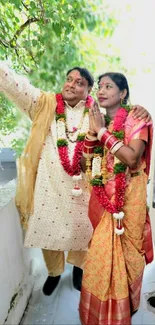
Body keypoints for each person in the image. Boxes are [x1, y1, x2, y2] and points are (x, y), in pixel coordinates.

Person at [0, 63, 151, 297]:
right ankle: (54, 273)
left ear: (89, 90)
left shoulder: (97, 115)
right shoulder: (45, 105)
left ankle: (80, 270)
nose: (71, 84)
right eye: (69, 79)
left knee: (85, 232)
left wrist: (142, 111)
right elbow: (18, 87)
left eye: (79, 82)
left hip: (85, 188)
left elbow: (122, 127)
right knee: (47, 232)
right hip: (49, 186)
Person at [79, 72, 153, 325]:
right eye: (100, 86)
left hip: (129, 198)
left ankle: (128, 307)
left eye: (109, 86)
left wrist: (101, 132)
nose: (101, 90)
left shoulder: (136, 119)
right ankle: (100, 313)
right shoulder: (93, 120)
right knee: (100, 253)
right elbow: (84, 163)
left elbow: (132, 159)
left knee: (130, 254)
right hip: (104, 200)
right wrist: (92, 133)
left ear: (122, 93)